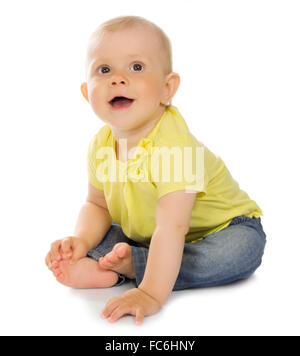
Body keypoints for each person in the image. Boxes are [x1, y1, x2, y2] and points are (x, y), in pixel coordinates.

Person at [45, 15, 267, 325]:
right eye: (104, 70)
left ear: (167, 88)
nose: (117, 79)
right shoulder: (101, 145)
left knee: (239, 253)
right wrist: (80, 241)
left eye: (136, 67)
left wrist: (149, 293)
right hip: (153, 234)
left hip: (224, 228)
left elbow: (173, 227)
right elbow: (97, 204)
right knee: (104, 233)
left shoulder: (173, 145)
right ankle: (116, 263)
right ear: (86, 93)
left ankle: (134, 269)